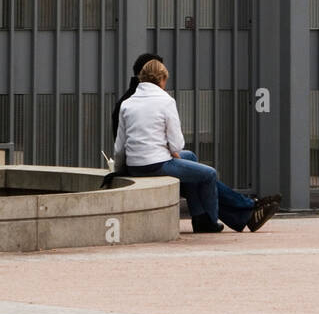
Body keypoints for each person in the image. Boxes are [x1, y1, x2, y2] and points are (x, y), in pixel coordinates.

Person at [114, 58, 280, 234]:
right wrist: (173, 152)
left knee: (191, 158)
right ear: (162, 79)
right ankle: (212, 220)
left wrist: (119, 169)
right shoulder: (165, 101)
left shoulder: (127, 103)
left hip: (134, 166)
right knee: (209, 174)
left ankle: (227, 217)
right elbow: (177, 144)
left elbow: (119, 145)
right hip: (157, 164)